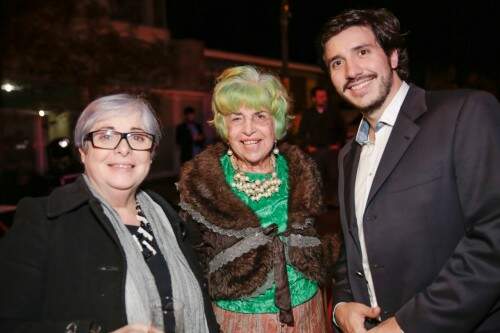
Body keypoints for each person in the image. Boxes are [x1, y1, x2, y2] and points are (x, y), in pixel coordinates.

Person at [320, 8, 500, 333]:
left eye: (362, 51)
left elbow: (493, 237)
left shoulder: (466, 113)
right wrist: (342, 306)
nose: (351, 70)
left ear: (391, 55)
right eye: (336, 62)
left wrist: (407, 325)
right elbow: (352, 247)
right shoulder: (348, 155)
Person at [0, 94, 219, 333]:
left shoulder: (170, 218)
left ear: (151, 152)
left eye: (137, 136)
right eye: (106, 136)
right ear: (83, 150)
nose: (123, 149)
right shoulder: (43, 220)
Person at [177, 66, 339, 332]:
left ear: (275, 124)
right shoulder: (201, 185)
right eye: (237, 118)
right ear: (224, 126)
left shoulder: (302, 172)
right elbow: (190, 267)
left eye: (260, 116)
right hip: (236, 322)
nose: (249, 130)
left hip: (309, 315)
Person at [298, 86, 346, 206]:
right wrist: (307, 147)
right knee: (316, 177)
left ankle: (335, 201)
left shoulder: (334, 112)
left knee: (334, 176)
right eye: (320, 97)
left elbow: (342, 129)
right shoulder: (308, 114)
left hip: (331, 150)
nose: (323, 99)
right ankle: (318, 202)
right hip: (315, 151)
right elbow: (301, 133)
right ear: (314, 98)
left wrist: (338, 144)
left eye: (324, 96)